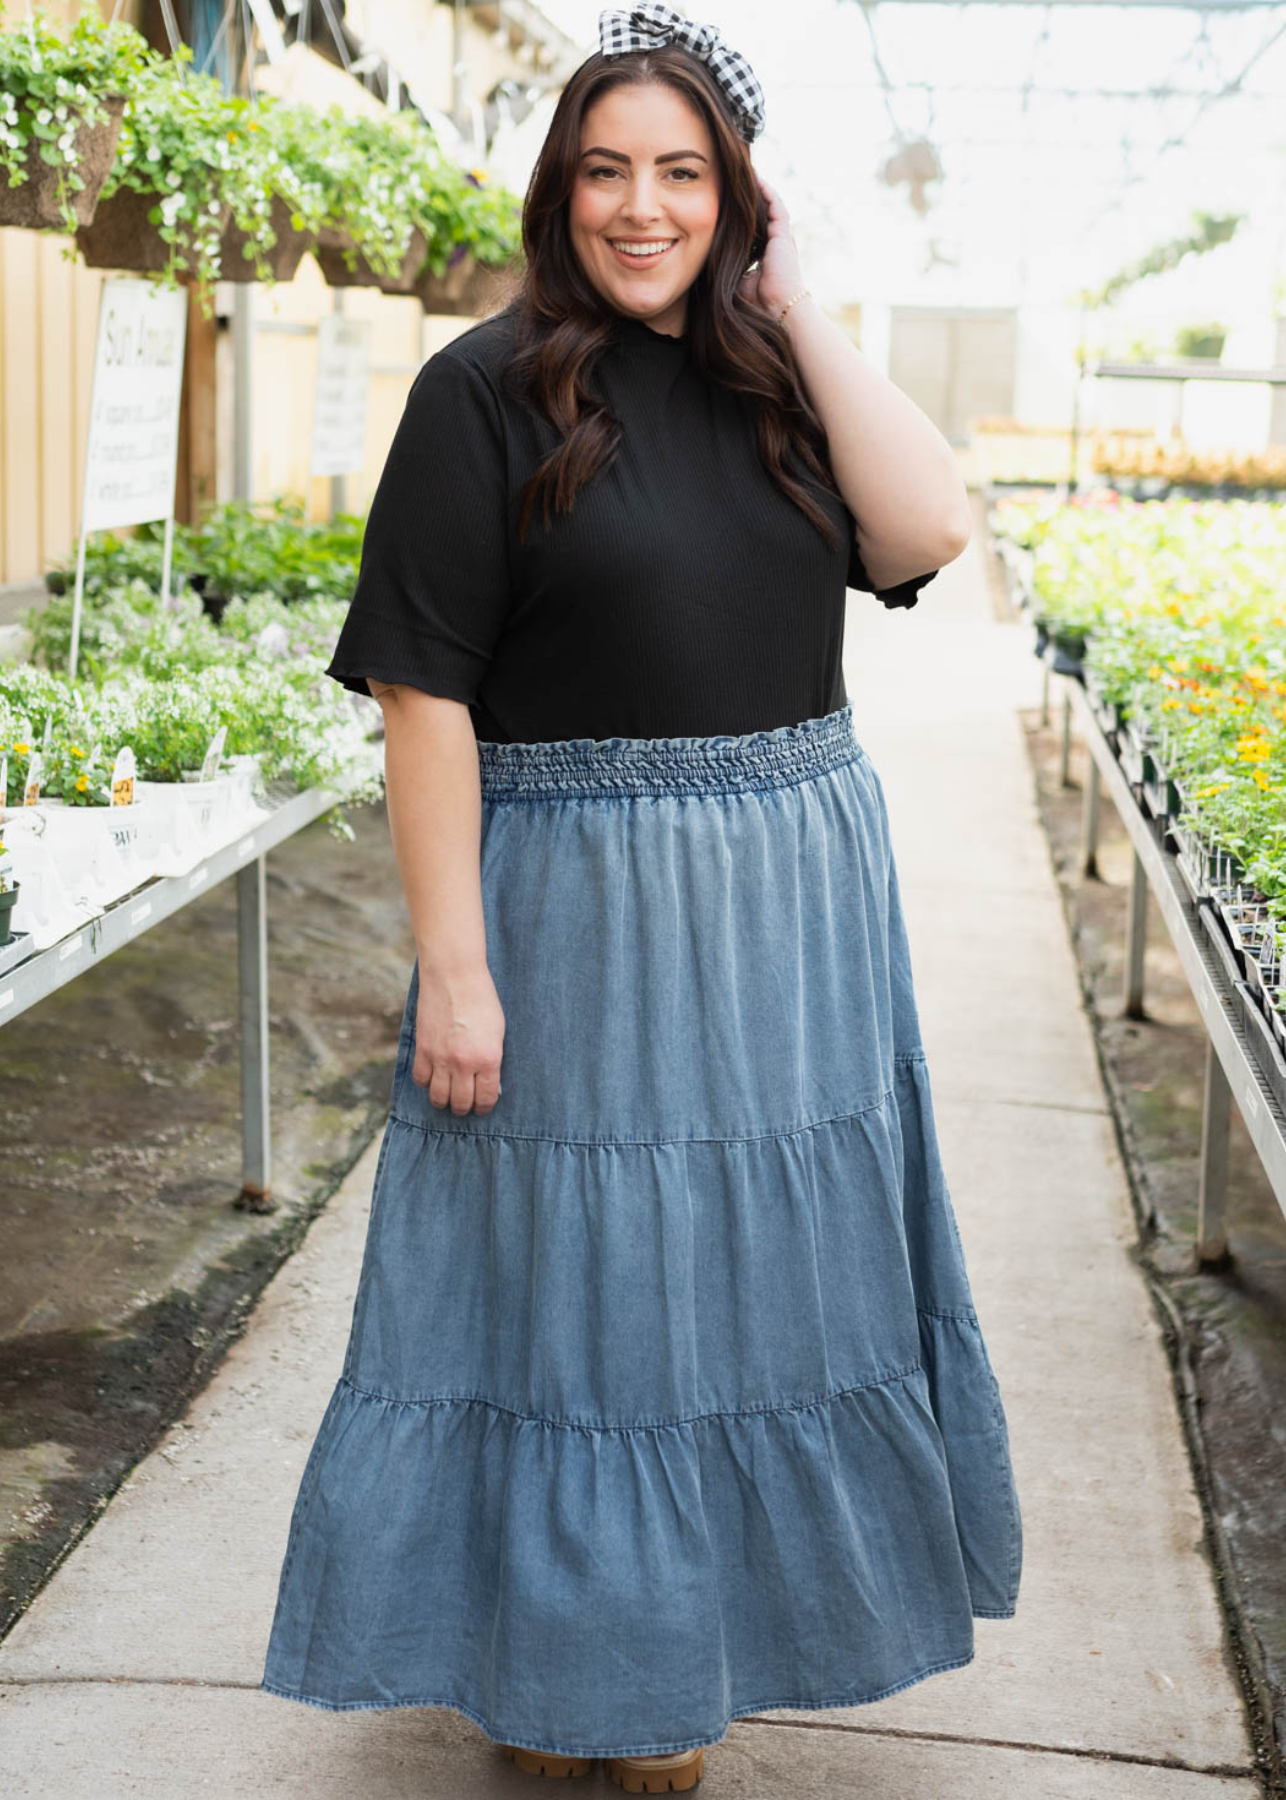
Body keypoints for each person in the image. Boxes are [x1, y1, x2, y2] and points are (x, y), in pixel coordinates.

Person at [258, 5, 1022, 1791]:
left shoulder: (776, 383)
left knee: (761, 1288)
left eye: (682, 172)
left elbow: (921, 535)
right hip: (581, 902)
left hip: (791, 902)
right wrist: (455, 965)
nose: (639, 206)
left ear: (736, 197)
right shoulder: (484, 389)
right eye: (605, 170)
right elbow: (423, 694)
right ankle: (576, 1668)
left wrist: (795, 298)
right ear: (558, 189)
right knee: (580, 1288)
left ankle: (697, 1648)